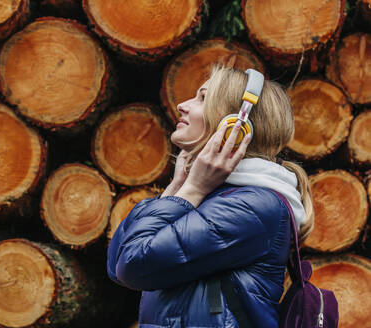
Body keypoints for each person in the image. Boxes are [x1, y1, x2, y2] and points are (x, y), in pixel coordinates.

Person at [107, 65, 314, 328]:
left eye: (203, 98)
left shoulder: (254, 207)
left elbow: (133, 265)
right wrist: (178, 188)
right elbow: (116, 266)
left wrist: (192, 190)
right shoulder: (209, 193)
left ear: (235, 125)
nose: (182, 105)